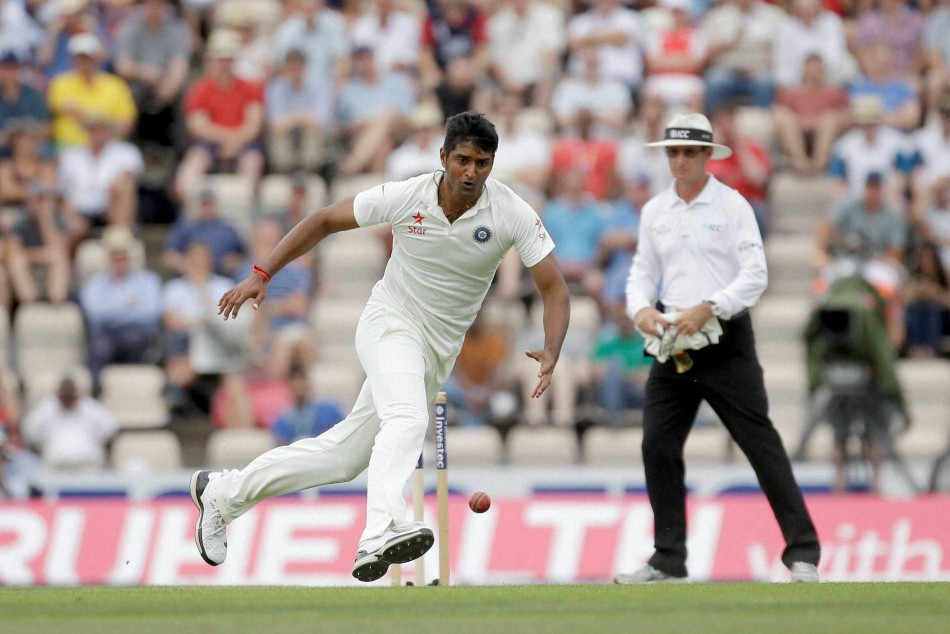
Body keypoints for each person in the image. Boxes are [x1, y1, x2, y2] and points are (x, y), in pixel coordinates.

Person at [192, 112, 570, 582]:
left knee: (342, 457)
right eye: (462, 160)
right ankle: (381, 531)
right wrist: (262, 272)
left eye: (482, 163)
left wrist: (552, 347)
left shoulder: (511, 212)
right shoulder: (408, 195)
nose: (471, 172)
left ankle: (223, 494)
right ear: (443, 157)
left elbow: (554, 288)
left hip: (435, 353)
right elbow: (325, 219)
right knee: (408, 419)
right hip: (390, 324)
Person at [617, 112, 821, 584]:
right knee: (657, 444)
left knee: (760, 445)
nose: (681, 160)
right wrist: (640, 309)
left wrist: (711, 307)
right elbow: (642, 272)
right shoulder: (655, 211)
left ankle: (803, 552)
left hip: (725, 341)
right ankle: (668, 558)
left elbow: (755, 275)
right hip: (674, 344)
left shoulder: (732, 206)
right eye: (674, 152)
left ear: (708, 155)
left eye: (690, 152)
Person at [21, 376, 119, 471]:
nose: (68, 397)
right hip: (55, 467)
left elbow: (111, 429)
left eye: (71, 394)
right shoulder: (47, 408)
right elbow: (29, 431)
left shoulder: (90, 407)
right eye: (64, 394)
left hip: (88, 466)